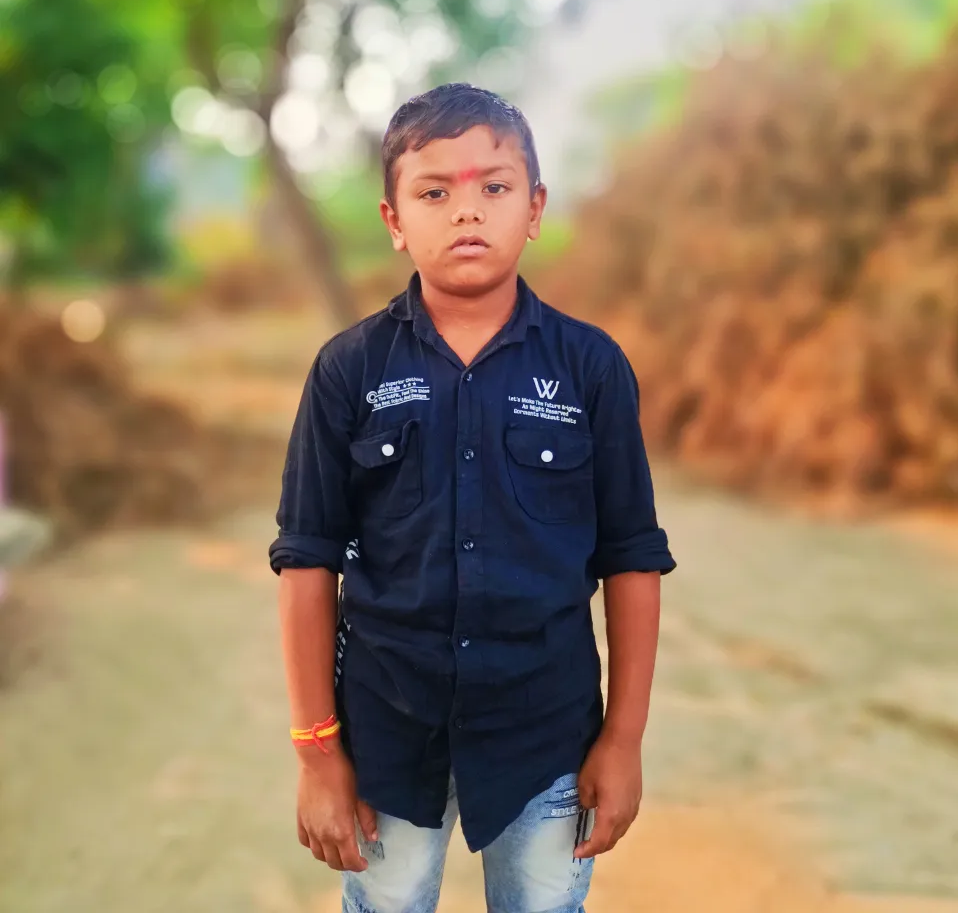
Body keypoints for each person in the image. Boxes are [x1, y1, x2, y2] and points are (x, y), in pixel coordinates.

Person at [269, 83, 676, 913]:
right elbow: (306, 560)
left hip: (546, 737)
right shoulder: (349, 370)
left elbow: (632, 557)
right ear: (393, 220)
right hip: (386, 732)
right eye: (434, 192)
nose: (467, 213)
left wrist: (623, 740)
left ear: (534, 208)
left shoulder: (590, 368)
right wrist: (318, 754)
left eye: (494, 187)